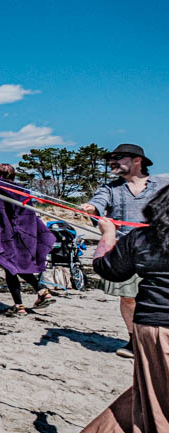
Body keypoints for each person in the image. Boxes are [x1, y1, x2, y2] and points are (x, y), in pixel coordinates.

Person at [80, 184, 169, 433]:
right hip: (156, 324)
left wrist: (107, 235)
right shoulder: (141, 237)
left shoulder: (142, 238)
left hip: (157, 328)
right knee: (155, 397)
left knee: (159, 400)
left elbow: (107, 268)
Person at [81, 143, 162, 357]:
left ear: (137, 161)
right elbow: (97, 203)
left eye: (119, 158)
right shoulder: (110, 188)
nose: (112, 162)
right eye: (111, 158)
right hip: (124, 251)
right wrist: (91, 208)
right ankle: (135, 341)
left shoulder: (161, 185)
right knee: (128, 298)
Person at [0, 149, 56, 316]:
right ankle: (34, 296)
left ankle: (27, 300)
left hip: (8, 234)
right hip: (27, 232)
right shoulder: (21, 189)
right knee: (16, 266)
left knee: (10, 267)